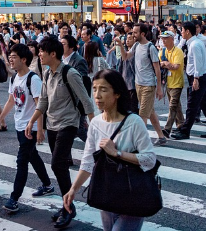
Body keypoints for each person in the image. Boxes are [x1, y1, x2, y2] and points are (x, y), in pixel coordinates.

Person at [63, 69, 156, 231]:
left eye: (103, 89)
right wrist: (73, 190)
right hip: (107, 193)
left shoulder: (134, 122)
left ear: (117, 94)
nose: (97, 95)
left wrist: (117, 153)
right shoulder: (96, 123)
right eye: (95, 89)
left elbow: (149, 160)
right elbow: (87, 162)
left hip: (132, 193)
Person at [25, 36, 94, 229]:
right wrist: (32, 121)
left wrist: (94, 124)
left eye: (41, 52)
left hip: (68, 123)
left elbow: (86, 100)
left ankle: (68, 207)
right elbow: (43, 102)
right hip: (53, 124)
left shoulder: (69, 73)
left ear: (52, 53)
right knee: (59, 166)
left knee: (57, 164)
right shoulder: (47, 74)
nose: (39, 55)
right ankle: (67, 205)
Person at [0, 43, 53, 213]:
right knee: (32, 155)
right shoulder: (15, 78)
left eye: (14, 57)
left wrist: (40, 129)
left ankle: (14, 198)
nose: (10, 60)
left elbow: (39, 105)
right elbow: (11, 100)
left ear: (24, 59)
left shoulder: (33, 79)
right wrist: (0, 119)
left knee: (22, 161)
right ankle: (47, 185)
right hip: (20, 125)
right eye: (10, 57)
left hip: (31, 127)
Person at [171, 22, 206, 140]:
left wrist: (196, 78)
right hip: (198, 76)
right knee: (205, 105)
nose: (181, 32)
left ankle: (185, 130)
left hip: (197, 77)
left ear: (188, 31)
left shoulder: (195, 44)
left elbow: (198, 63)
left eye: (182, 30)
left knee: (192, 105)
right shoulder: (194, 43)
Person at [130, 24, 166, 145]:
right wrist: (119, 44)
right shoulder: (136, 45)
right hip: (138, 83)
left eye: (135, 32)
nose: (132, 34)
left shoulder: (150, 47)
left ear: (143, 34)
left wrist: (159, 88)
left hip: (148, 85)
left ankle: (140, 143)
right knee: (150, 112)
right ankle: (161, 137)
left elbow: (157, 69)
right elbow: (125, 57)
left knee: (143, 115)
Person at [158, 31, 184, 137]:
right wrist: (168, 64)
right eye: (162, 38)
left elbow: (176, 66)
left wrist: (167, 64)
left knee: (172, 105)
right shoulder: (163, 51)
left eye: (166, 38)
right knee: (176, 105)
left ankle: (167, 129)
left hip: (177, 82)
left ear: (172, 39)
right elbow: (159, 64)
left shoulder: (178, 51)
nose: (163, 40)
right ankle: (181, 124)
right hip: (168, 82)